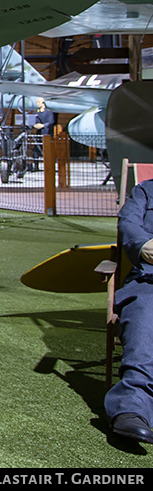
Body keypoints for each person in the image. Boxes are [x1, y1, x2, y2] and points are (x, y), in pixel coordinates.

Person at [105, 178, 153, 443]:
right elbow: (128, 222)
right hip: (150, 279)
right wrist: (143, 244)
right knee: (146, 313)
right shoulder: (146, 190)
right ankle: (132, 407)